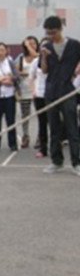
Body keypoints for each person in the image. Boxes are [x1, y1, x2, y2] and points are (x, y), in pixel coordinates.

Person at [40, 16, 80, 176]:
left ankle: (76, 162)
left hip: (68, 91)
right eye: (48, 33)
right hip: (51, 91)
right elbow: (44, 70)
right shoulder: (46, 46)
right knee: (54, 128)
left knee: (72, 127)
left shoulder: (74, 45)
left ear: (60, 29)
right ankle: (56, 161)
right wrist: (44, 56)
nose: (51, 35)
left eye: (53, 32)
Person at [15, 37, 39, 148]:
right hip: (24, 90)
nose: (32, 45)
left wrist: (29, 46)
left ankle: (40, 138)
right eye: (30, 44)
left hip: (37, 90)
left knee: (40, 115)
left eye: (34, 43)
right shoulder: (21, 57)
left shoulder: (39, 56)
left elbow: (36, 56)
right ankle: (25, 137)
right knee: (25, 115)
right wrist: (21, 73)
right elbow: (15, 71)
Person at [29, 49, 48, 158]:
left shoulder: (55, 60)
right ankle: (43, 148)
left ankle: (56, 147)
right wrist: (33, 91)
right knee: (42, 122)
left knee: (55, 122)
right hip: (39, 95)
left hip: (52, 94)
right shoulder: (36, 62)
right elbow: (31, 77)